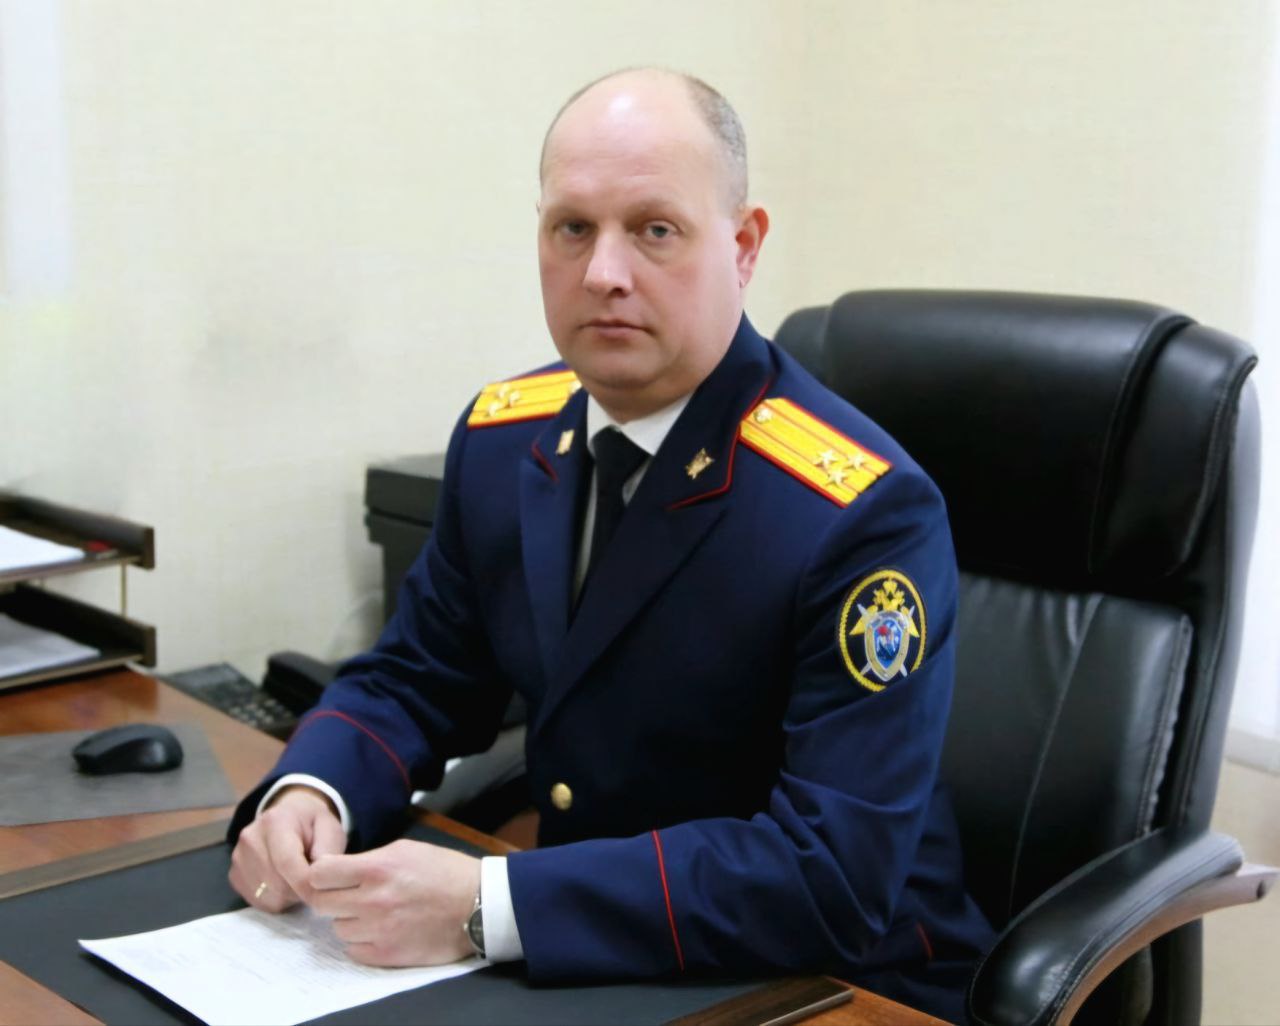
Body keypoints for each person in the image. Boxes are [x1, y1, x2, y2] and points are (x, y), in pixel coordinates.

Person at [227, 67, 993, 1022]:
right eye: (572, 228)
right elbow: (419, 674)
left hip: (839, 983)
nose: (603, 273)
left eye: (655, 229)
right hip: (604, 957)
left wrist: (487, 904)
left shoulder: (858, 512)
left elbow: (830, 874)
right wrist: (314, 793)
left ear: (744, 246)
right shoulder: (506, 436)